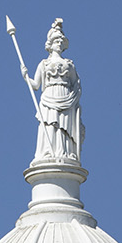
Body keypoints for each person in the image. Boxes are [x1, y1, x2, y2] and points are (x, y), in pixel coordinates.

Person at [23, 18, 84, 164]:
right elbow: (36, 85)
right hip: (49, 95)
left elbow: (77, 85)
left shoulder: (69, 64)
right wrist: (25, 77)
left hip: (65, 96)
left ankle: (64, 151)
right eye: (56, 41)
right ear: (50, 44)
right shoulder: (44, 64)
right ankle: (48, 152)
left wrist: (73, 98)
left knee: (64, 125)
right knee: (50, 124)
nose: (59, 43)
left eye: (61, 41)